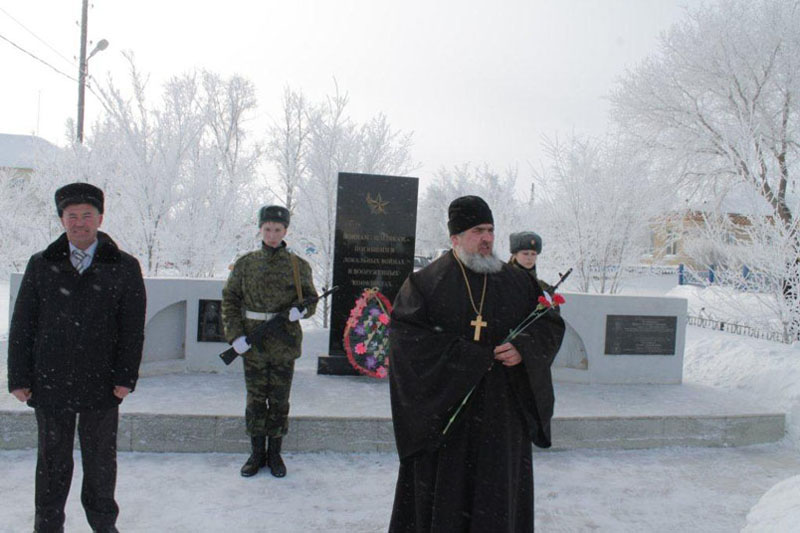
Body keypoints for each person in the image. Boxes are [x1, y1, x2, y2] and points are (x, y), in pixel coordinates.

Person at [388, 195, 565, 532]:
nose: (486, 238)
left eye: (490, 230)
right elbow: (407, 341)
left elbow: (549, 325)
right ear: (455, 238)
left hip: (502, 416)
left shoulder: (517, 281)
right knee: (447, 500)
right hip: (447, 415)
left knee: (495, 501)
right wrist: (470, 359)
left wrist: (524, 348)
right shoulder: (425, 284)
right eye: (477, 231)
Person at [7, 182, 146, 533]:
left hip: (102, 380)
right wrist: (19, 377)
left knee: (100, 461)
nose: (79, 222)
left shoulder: (124, 266)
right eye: (72, 216)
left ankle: (104, 525)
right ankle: (47, 526)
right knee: (51, 461)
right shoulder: (42, 264)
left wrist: (125, 377)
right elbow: (23, 323)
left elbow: (132, 328)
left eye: (87, 215)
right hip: (50, 379)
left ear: (100, 218)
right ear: (62, 219)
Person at [221, 205, 317, 478]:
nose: (272, 235)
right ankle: (256, 454)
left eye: (277, 229)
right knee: (255, 400)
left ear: (285, 231)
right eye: (267, 229)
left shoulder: (298, 266)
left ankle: (274, 454)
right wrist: (235, 336)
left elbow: (311, 300)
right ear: (260, 230)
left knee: (279, 401)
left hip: (284, 344)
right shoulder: (246, 264)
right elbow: (230, 300)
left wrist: (302, 311)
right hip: (253, 344)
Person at [509, 230, 556, 295]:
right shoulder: (504, 281)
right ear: (515, 254)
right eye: (525, 253)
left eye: (533, 254)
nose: (529, 258)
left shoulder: (541, 286)